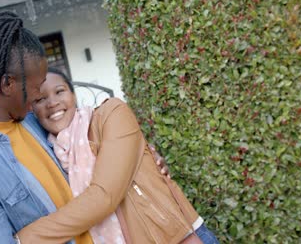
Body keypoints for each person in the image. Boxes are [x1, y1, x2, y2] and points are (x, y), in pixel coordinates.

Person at [0, 12, 169, 244]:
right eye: (37, 88)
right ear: (7, 83)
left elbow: (89, 142)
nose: (40, 98)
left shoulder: (32, 120)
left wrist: (138, 155)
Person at [16, 68, 220, 244]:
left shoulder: (110, 114)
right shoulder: (53, 155)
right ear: (32, 110)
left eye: (59, 91)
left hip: (175, 237)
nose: (52, 103)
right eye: (40, 99)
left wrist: (22, 239)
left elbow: (104, 196)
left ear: (73, 95)